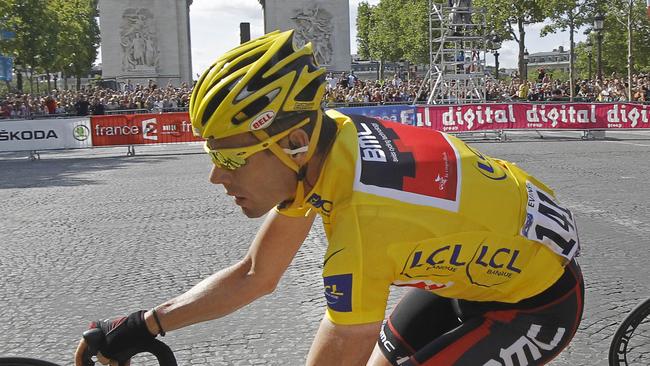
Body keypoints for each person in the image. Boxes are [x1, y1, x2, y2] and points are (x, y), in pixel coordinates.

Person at [74, 30, 584, 366]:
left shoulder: (363, 225)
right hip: (475, 269)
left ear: (292, 144)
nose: (215, 177)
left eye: (231, 159)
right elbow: (257, 274)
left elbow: (341, 338)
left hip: (538, 303)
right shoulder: (325, 141)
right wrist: (147, 322)